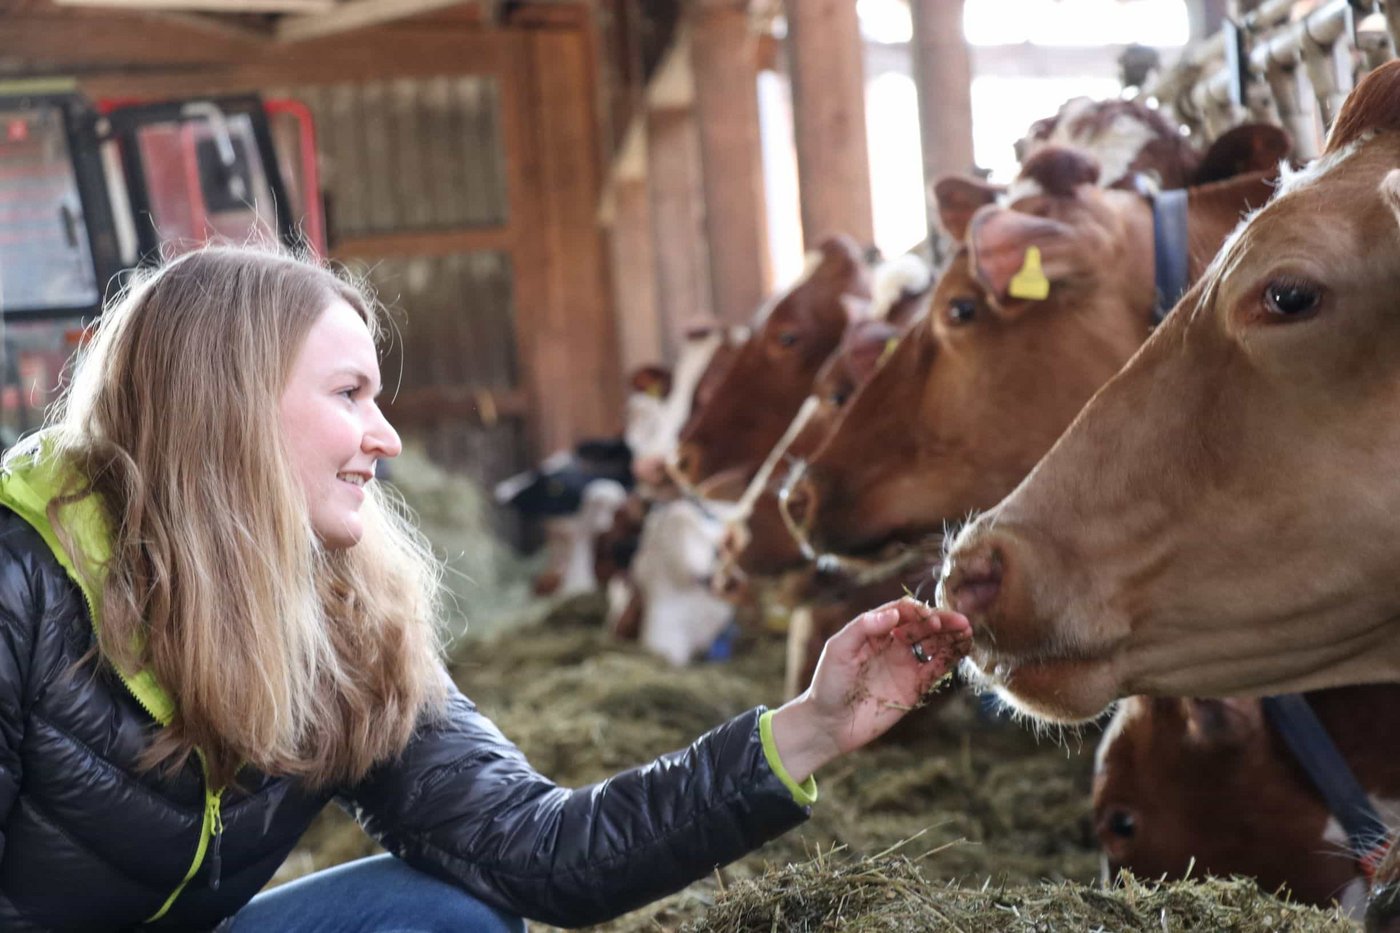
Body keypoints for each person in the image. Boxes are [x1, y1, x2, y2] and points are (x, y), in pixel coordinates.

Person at [0, 245, 971, 932]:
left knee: (439, 915)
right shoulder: (21, 586)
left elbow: (537, 853)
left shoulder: (340, 609)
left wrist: (809, 727)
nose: (385, 439)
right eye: (349, 396)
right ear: (228, 408)